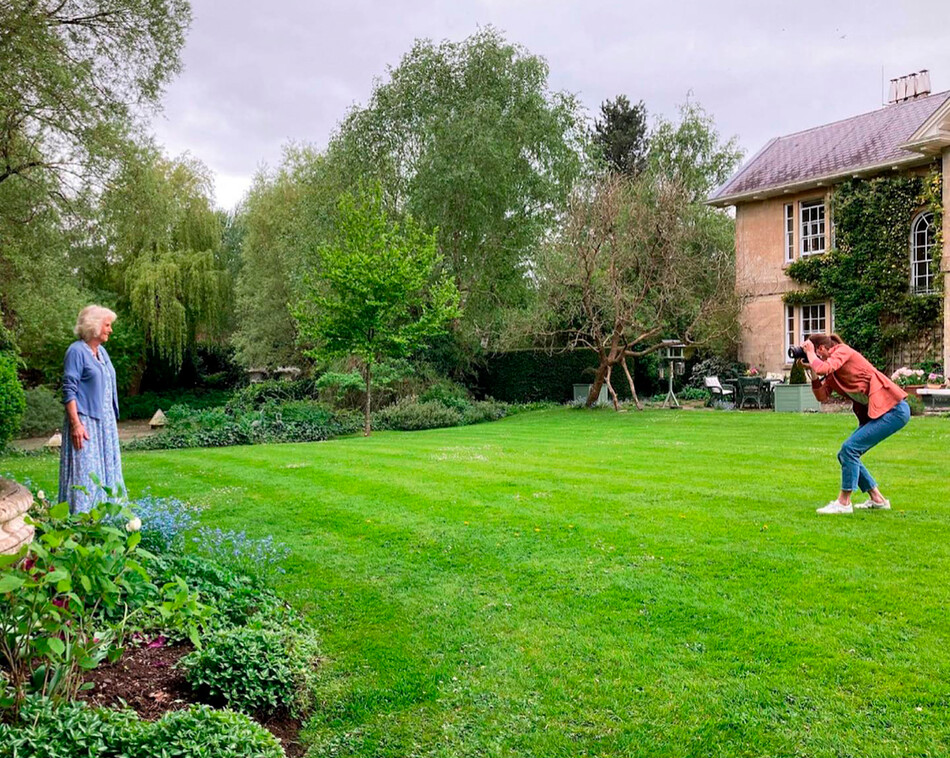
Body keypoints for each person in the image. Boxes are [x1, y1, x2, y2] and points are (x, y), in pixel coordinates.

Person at [801, 333, 909, 515]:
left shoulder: (843, 351)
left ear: (820, 349)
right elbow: (822, 396)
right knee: (846, 454)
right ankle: (878, 499)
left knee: (849, 449)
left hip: (894, 410)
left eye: (813, 350)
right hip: (882, 413)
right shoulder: (832, 373)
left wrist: (811, 355)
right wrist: (811, 369)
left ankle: (844, 502)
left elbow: (824, 367)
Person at [59, 305, 126, 514]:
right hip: (86, 422)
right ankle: (81, 520)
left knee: (109, 471)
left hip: (105, 422)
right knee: (86, 473)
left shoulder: (101, 352)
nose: (110, 330)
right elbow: (69, 390)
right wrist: (75, 424)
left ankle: (109, 516)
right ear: (94, 326)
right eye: (107, 325)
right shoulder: (76, 351)